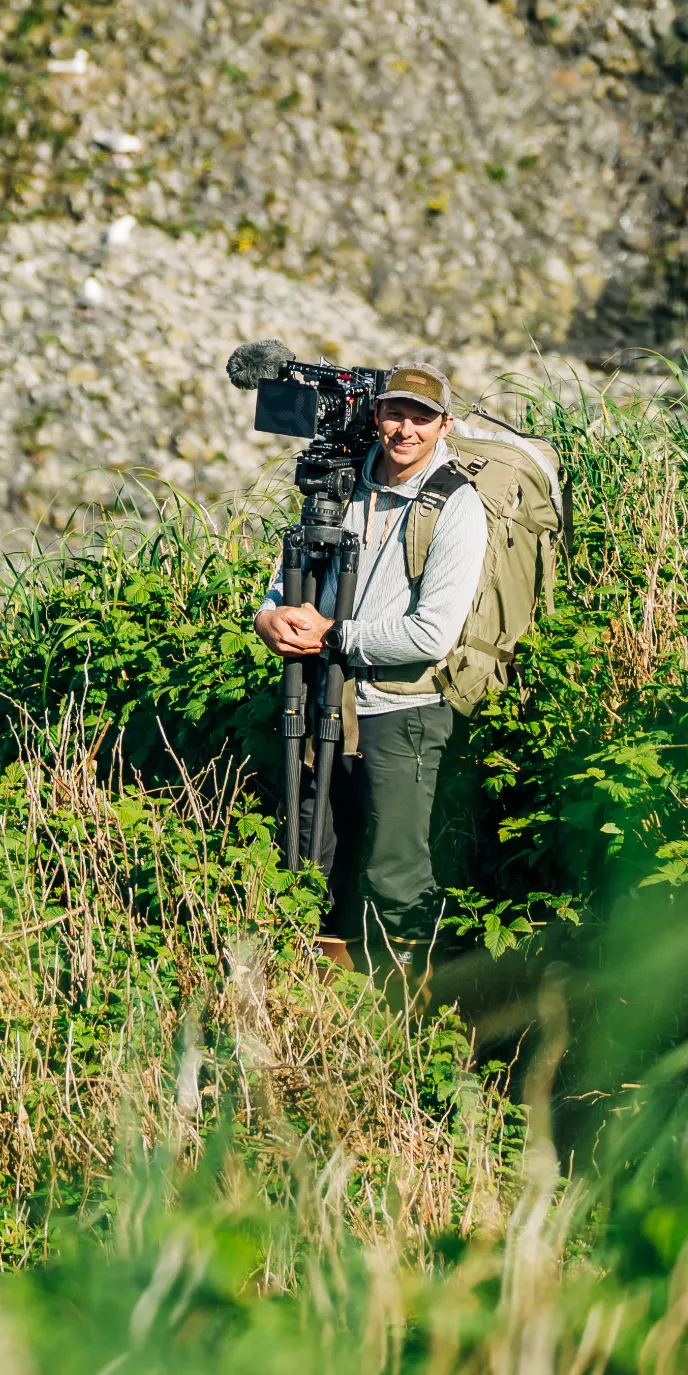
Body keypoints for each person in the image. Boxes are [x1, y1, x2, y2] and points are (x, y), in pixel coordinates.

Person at [254, 360, 488, 969]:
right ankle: (316, 1010)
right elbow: (288, 581)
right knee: (311, 854)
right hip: (321, 696)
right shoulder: (341, 486)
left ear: (445, 426)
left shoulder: (457, 506)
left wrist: (334, 636)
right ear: (374, 414)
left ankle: (411, 1021)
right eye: (394, 412)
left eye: (422, 417)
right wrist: (268, 617)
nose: (405, 429)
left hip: (403, 709)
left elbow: (432, 635)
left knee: (394, 869)